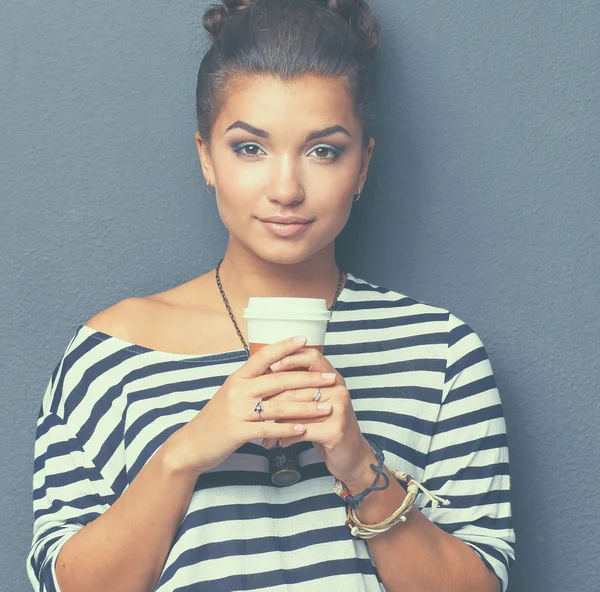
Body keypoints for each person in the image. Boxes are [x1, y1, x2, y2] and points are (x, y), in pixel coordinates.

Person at [27, 0, 515, 590]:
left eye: (324, 150)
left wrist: (361, 469)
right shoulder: (110, 353)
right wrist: (186, 452)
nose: (286, 188)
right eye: (250, 148)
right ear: (206, 156)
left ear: (362, 167)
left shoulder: (441, 355)